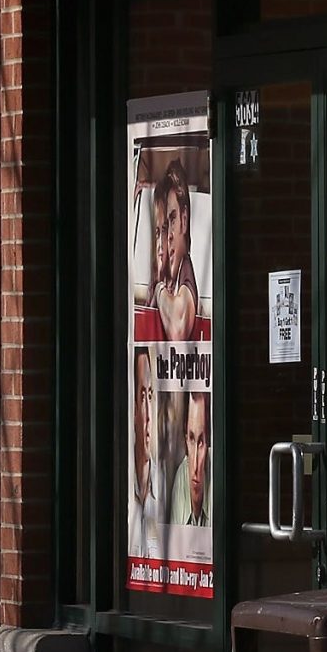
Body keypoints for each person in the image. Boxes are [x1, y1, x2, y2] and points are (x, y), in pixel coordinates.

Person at [150, 165, 205, 343]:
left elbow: (177, 328)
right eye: (160, 231)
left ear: (184, 219)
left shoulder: (185, 271)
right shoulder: (167, 277)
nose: (167, 238)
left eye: (172, 220)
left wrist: (158, 289)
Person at [128, 348, 164, 559]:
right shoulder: (123, 484)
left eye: (151, 395)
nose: (149, 415)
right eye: (142, 397)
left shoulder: (164, 490)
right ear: (133, 409)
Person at [170, 392, 212, 528]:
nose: (194, 466)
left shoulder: (216, 474)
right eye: (192, 439)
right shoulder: (180, 477)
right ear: (185, 438)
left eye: (201, 442)